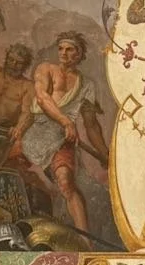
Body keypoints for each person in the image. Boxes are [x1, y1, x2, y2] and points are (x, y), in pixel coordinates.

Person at [19, 32, 109, 233]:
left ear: (80, 54)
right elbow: (42, 98)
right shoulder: (46, 69)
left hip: (62, 138)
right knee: (15, 174)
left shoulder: (87, 85)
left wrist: (104, 154)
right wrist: (66, 121)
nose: (64, 53)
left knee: (66, 181)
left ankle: (85, 239)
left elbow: (92, 125)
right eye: (61, 48)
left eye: (70, 49)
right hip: (35, 132)